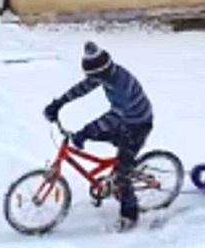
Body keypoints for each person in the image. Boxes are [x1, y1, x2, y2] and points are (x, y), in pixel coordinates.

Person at [43, 42, 153, 231]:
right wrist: (59, 103)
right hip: (123, 121)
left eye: (95, 77)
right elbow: (83, 88)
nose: (93, 79)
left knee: (121, 175)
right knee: (96, 135)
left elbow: (115, 116)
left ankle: (130, 213)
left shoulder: (121, 83)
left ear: (103, 71)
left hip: (137, 124)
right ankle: (119, 165)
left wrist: (86, 131)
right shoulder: (105, 75)